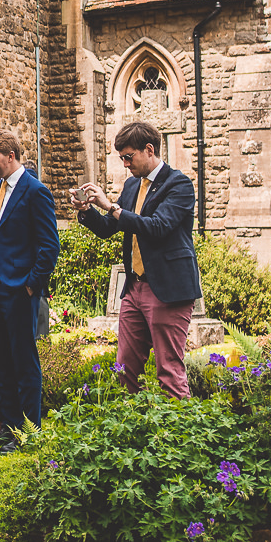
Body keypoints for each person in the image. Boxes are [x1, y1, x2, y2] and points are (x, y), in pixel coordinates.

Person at [76, 120, 200, 400]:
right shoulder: (132, 186)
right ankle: (134, 430)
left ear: (149, 149)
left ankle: (184, 434)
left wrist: (111, 206)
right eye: (121, 158)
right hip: (134, 288)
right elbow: (110, 227)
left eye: (128, 157)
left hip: (168, 289)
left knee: (168, 368)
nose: (125, 164)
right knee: (125, 367)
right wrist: (87, 211)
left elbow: (157, 227)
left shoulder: (178, 184)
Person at [0, 129, 60, 448]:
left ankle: (28, 431)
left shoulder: (35, 191)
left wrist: (31, 286)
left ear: (11, 156)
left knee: (23, 360)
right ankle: (7, 426)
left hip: (18, 289)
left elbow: (49, 247)